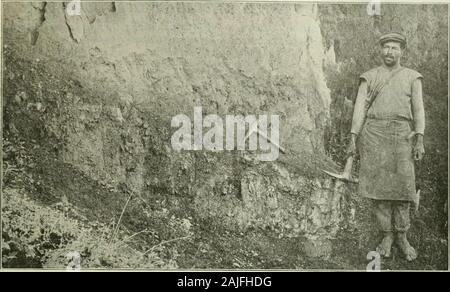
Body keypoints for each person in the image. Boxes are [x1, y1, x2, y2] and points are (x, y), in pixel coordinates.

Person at [347, 32, 425, 261]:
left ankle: (402, 236)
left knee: (403, 189)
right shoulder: (369, 77)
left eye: (394, 48)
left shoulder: (413, 77)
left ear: (402, 51)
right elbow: (359, 109)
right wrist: (353, 137)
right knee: (378, 190)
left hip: (403, 134)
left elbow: (419, 109)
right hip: (374, 134)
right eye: (386, 47)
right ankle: (387, 236)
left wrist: (419, 137)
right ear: (380, 50)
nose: (389, 52)